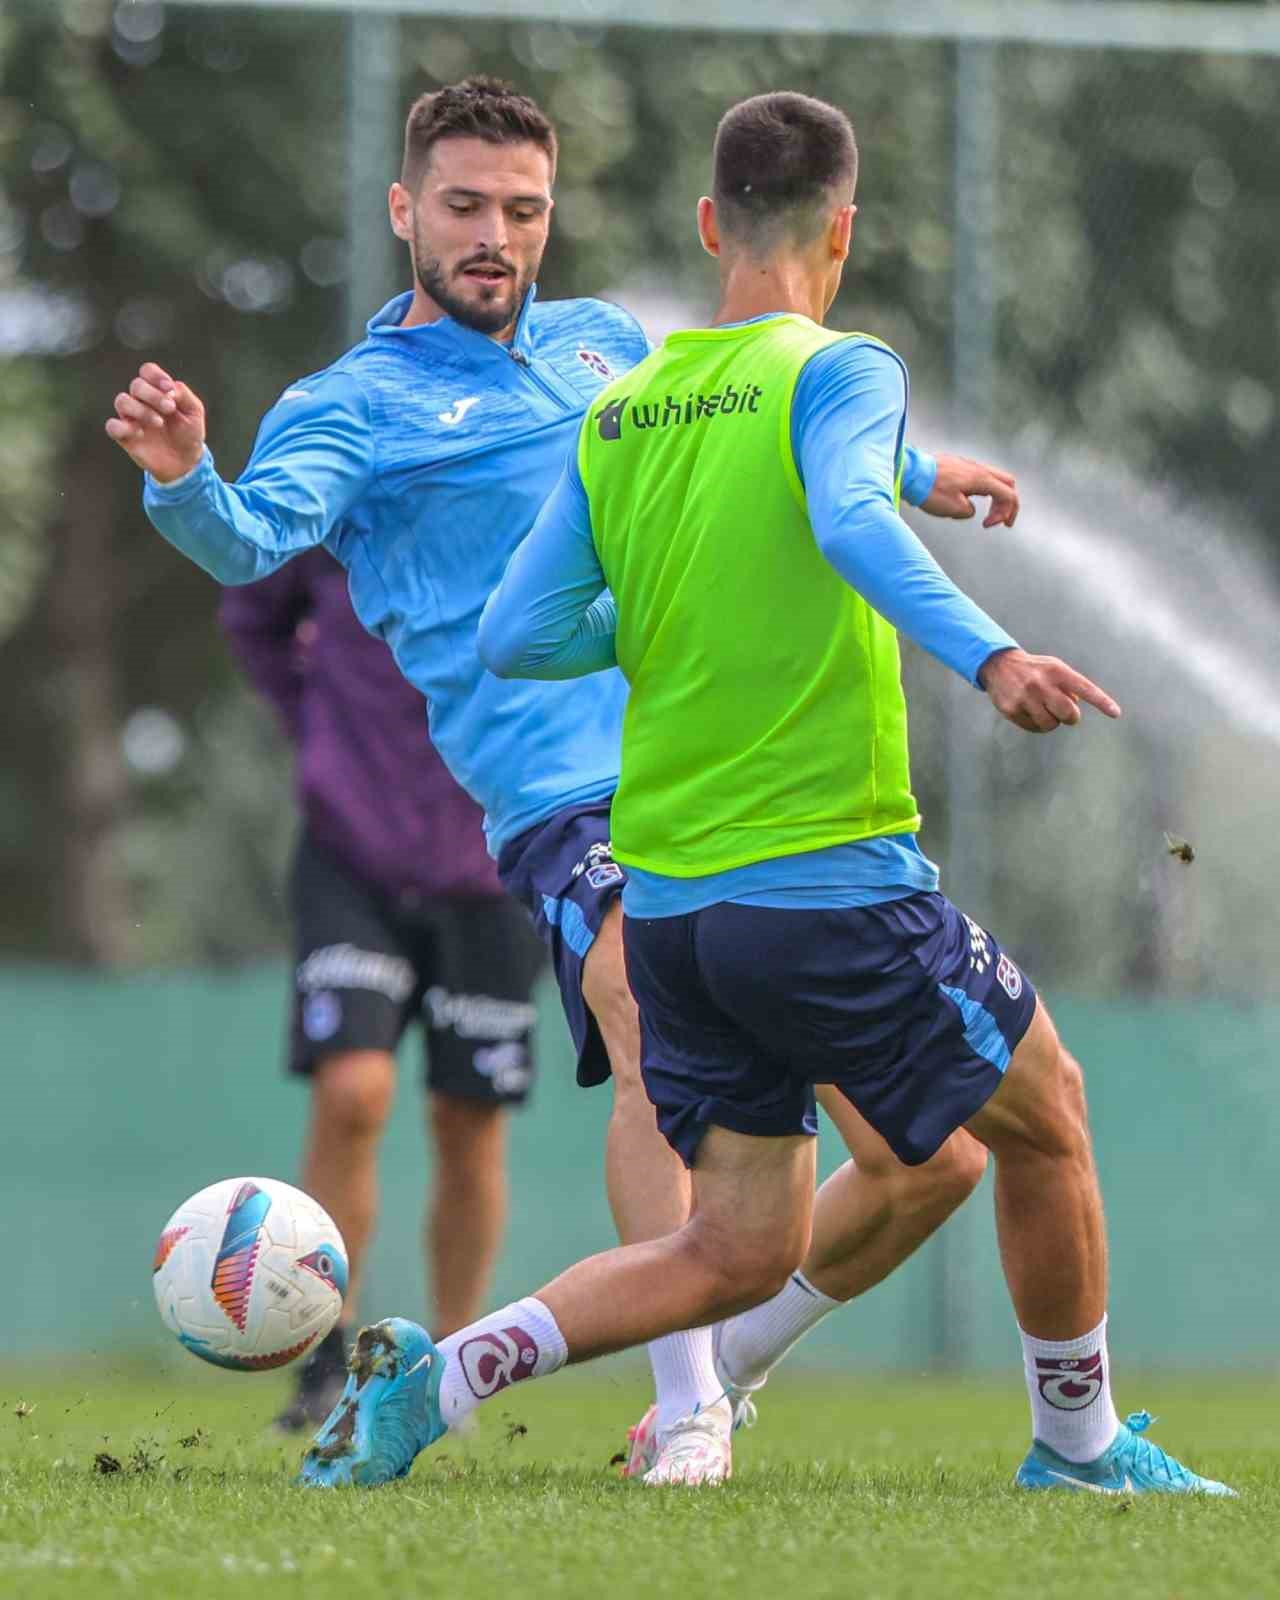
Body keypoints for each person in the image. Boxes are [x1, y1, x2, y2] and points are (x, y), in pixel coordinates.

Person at [289, 89, 1234, 1498]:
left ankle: (445, 1375)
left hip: (674, 906)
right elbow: (854, 515)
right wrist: (991, 656)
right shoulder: (837, 370)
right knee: (1049, 1114)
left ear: (709, 225)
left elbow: (514, 638)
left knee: (730, 1250)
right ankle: (1081, 1448)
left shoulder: (624, 407)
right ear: (841, 233)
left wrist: (672, 614)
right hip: (829, 877)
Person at [108, 76, 1019, 1484]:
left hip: (726, 771)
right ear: (406, 209)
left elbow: (740, 422)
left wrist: (911, 463)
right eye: (464, 206)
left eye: (522, 211)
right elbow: (248, 541)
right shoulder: (352, 407)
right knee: (641, 1021)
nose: (494, 235)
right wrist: (186, 480)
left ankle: (727, 1361)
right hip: (562, 805)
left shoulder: (603, 346)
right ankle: (690, 1410)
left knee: (936, 1164)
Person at [220, 549, 545, 1430]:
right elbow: (250, 611)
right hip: (350, 854)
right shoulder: (346, 474)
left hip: (497, 855)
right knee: (353, 1091)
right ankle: (326, 1355)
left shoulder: (529, 469)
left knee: (468, 1120)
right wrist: (319, 732)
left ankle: (454, 1371)